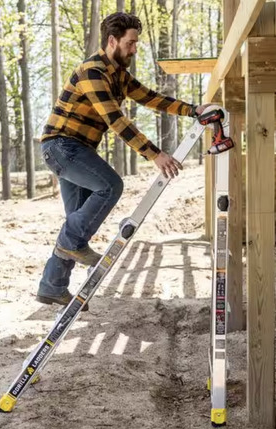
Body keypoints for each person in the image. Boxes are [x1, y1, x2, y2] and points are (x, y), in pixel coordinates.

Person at [36, 12, 209, 309]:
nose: (134, 49)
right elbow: (116, 121)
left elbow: (153, 99)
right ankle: (69, 245)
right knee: (110, 186)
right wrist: (154, 154)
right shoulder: (93, 71)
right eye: (130, 43)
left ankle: (52, 286)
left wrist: (194, 110)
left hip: (78, 149)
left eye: (136, 43)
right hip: (62, 146)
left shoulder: (119, 76)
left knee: (76, 221)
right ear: (112, 41)